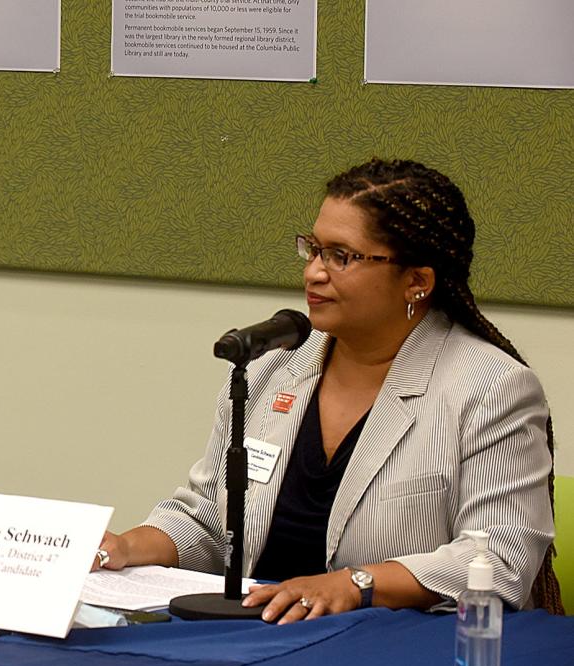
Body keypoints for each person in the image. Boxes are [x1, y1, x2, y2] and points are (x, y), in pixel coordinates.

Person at [95, 159, 561, 622]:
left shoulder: (491, 389)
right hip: (260, 637)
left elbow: (498, 561)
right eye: (314, 249)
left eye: (343, 256)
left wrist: (355, 584)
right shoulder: (274, 366)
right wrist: (125, 546)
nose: (314, 273)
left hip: (399, 653)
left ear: (417, 282)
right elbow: (213, 524)